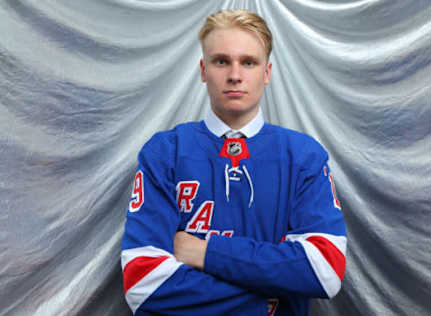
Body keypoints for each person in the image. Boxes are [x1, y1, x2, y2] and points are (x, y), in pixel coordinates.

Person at [121, 9, 347, 316]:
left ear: (266, 73)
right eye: (221, 61)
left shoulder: (303, 156)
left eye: (249, 62)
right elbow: (143, 280)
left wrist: (206, 252)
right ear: (203, 70)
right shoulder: (165, 152)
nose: (235, 75)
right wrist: (267, 302)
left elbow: (324, 269)